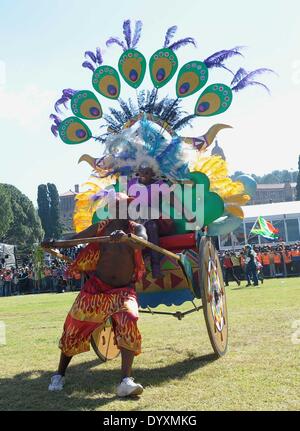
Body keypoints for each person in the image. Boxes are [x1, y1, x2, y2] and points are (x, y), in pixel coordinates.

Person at [44, 193, 147, 397]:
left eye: (125, 206)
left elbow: (142, 243)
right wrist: (54, 242)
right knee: (73, 326)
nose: (122, 210)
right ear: (110, 209)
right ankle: (59, 374)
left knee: (130, 319)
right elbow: (75, 239)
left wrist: (128, 238)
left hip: (123, 291)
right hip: (96, 289)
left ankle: (126, 381)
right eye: (117, 206)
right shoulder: (101, 227)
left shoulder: (136, 228)